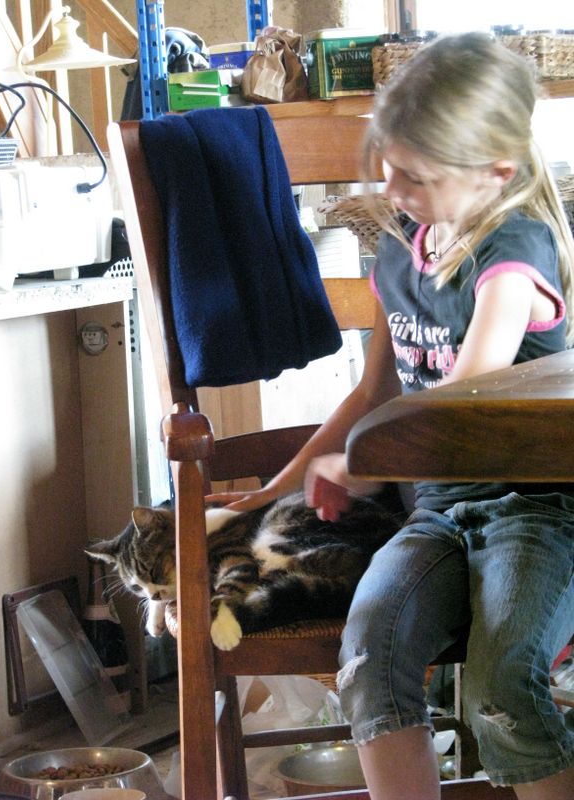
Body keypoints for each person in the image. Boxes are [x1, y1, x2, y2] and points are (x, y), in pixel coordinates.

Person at [206, 32, 574, 799]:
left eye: (415, 175)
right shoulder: (402, 251)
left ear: (496, 170)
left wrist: (366, 465)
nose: (390, 187)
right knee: (369, 661)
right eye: (387, 165)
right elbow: (371, 396)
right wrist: (271, 493)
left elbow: (463, 397)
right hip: (436, 513)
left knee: (503, 689)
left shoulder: (515, 252)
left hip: (535, 513)